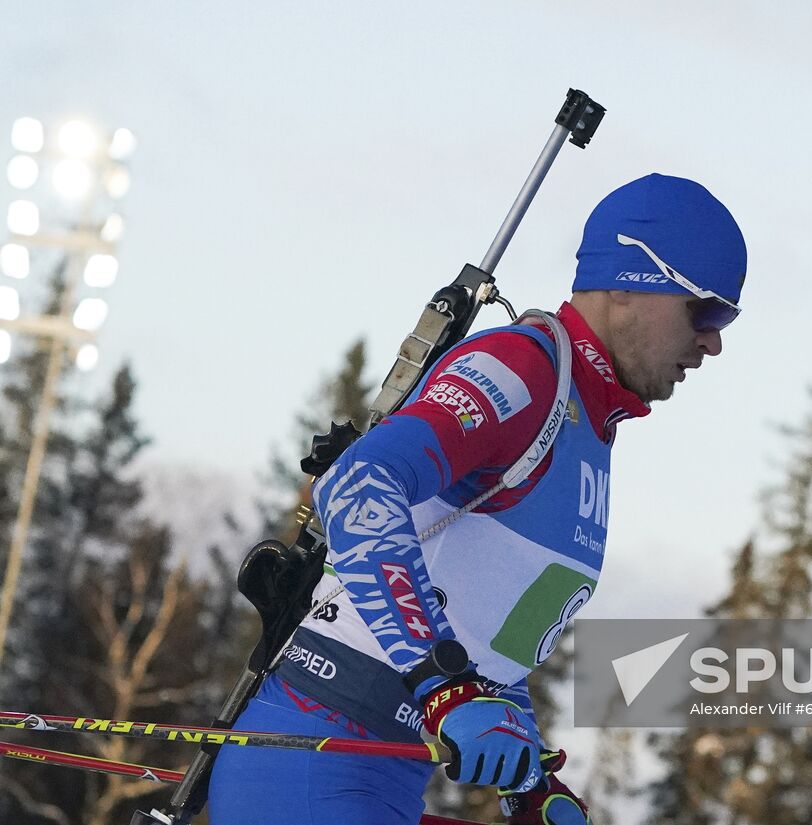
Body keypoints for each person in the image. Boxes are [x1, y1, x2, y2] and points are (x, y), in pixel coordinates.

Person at [209, 173, 746, 824]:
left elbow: (490, 644)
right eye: (707, 311)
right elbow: (357, 486)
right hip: (311, 757)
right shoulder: (523, 370)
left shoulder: (589, 430)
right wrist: (442, 685)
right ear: (633, 283)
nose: (714, 341)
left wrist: (529, 781)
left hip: (380, 775)